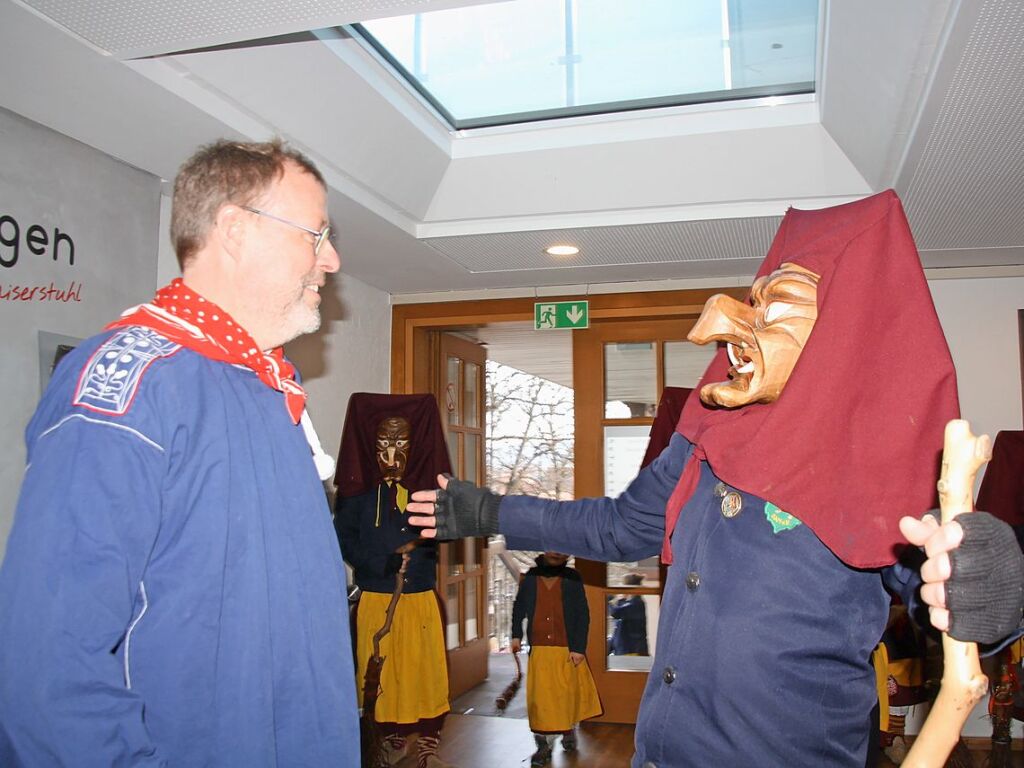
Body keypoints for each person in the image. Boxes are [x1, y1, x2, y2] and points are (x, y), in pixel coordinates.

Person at [407, 191, 971, 767]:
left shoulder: (884, 461)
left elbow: (942, 582)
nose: (717, 328)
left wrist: (984, 577)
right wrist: (491, 512)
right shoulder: (706, 436)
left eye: (775, 308)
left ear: (845, 335)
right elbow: (622, 528)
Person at [0, 139, 357, 765]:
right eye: (315, 234)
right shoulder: (131, 382)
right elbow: (48, 663)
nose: (330, 258)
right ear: (235, 229)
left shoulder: (266, 387)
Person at [333, 393, 456, 768]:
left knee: (424, 672)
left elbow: (450, 531)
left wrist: (446, 511)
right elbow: (343, 538)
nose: (391, 452)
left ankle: (428, 746)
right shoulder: (356, 495)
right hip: (374, 598)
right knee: (380, 673)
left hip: (418, 597)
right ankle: (390, 740)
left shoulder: (427, 492)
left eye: (401, 442)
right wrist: (380, 563)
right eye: (384, 442)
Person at [510, 552, 602, 766]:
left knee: (565, 695)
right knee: (540, 701)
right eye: (551, 549)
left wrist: (578, 647)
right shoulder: (531, 578)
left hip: (566, 649)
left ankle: (568, 730)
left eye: (561, 551)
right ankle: (542, 746)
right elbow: (519, 607)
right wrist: (515, 635)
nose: (555, 554)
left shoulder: (572, 578)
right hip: (540, 650)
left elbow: (582, 614)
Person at [609, 573, 649, 656]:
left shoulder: (636, 604)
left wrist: (608, 597)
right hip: (623, 651)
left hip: (632, 651)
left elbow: (615, 613)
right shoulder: (627, 604)